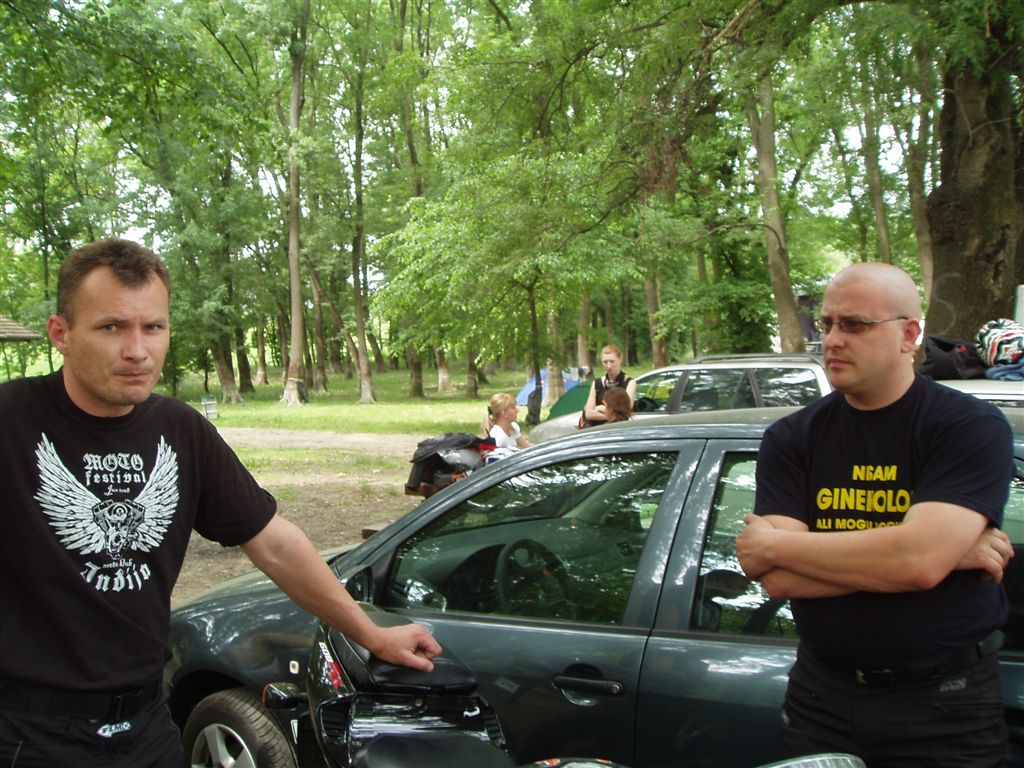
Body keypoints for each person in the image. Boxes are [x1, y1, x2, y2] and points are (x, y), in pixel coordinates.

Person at [0, 238, 441, 768]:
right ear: (61, 334)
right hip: (27, 733)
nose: (137, 350)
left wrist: (372, 634)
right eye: (111, 327)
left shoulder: (180, 430)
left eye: (153, 327)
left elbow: (275, 544)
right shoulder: (12, 420)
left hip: (146, 726)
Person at [736, 262, 1016, 767]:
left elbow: (917, 563)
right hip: (820, 699)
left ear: (909, 334)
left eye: (855, 325)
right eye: (827, 324)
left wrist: (777, 544)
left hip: (945, 706)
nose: (832, 340)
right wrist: (944, 554)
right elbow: (778, 579)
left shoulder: (966, 427)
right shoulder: (792, 437)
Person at [580, 344, 636, 427]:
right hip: (598, 429)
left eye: (612, 361)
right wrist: (615, 415)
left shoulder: (630, 383)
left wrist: (601, 409)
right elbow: (589, 414)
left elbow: (626, 411)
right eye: (605, 362)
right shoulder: (597, 383)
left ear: (620, 359)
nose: (608, 366)